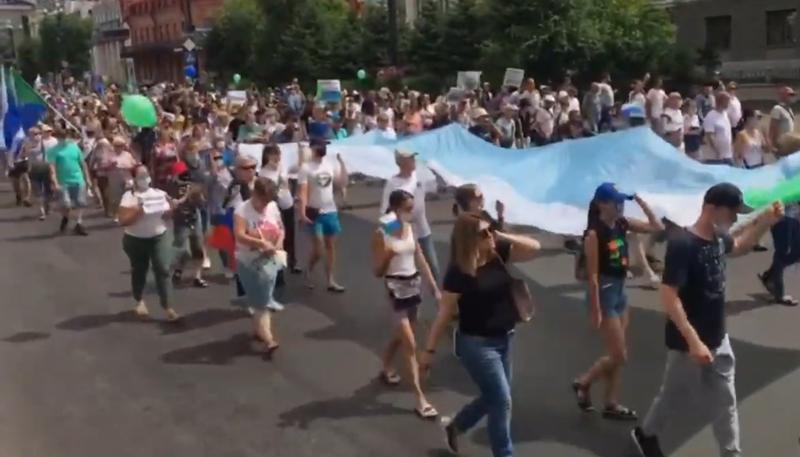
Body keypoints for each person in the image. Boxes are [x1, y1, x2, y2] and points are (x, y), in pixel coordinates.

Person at [632, 183, 782, 457]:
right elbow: (669, 296)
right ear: (711, 208)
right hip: (688, 344)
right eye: (732, 212)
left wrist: (765, 222)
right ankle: (646, 433)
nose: (735, 219)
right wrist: (693, 341)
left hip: (718, 337)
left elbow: (738, 246)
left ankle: (731, 453)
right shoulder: (683, 244)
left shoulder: (718, 237)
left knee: (726, 402)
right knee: (673, 395)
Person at [419, 214, 541, 457]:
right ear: (469, 239)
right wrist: (428, 352)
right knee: (502, 401)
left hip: (504, 339)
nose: (490, 236)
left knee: (494, 397)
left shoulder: (497, 253)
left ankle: (457, 425)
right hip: (477, 346)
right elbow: (444, 314)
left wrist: (501, 234)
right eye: (484, 233)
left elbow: (535, 248)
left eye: (491, 231)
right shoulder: (459, 272)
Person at [572, 184, 664, 421]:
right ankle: (584, 382)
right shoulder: (594, 234)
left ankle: (611, 402)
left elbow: (657, 227)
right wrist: (595, 308)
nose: (620, 205)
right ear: (602, 204)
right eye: (616, 202)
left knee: (617, 353)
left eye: (622, 201)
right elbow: (592, 276)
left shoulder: (623, 223)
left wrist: (642, 203)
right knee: (619, 355)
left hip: (620, 291)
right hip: (604, 294)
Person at [371, 189, 440, 419]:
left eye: (413, 209)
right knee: (410, 343)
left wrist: (433, 288)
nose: (412, 213)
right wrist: (389, 257)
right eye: (408, 209)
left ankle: (386, 366)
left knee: (403, 334)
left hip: (413, 286)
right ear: (396, 208)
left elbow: (420, 258)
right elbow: (377, 271)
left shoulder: (411, 228)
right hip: (395, 287)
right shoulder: (383, 232)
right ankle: (420, 399)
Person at [117, 164, 180, 321]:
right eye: (140, 176)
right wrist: (138, 212)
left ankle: (168, 307)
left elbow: (166, 216)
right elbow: (123, 221)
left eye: (146, 174)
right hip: (135, 239)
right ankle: (139, 300)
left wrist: (172, 209)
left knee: (163, 268)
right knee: (139, 269)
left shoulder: (159, 194)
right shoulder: (129, 197)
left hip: (158, 236)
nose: (144, 178)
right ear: (134, 179)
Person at [233, 177, 284, 357]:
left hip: (269, 260)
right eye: (262, 201)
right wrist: (261, 243)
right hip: (248, 261)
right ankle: (269, 339)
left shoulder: (272, 208)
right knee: (262, 303)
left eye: (268, 202)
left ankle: (258, 329)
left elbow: (281, 229)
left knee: (261, 299)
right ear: (255, 194)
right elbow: (239, 235)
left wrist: (277, 244)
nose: (264, 206)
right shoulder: (242, 210)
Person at [380, 149, 439, 282]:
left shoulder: (420, 177)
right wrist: (396, 232)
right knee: (403, 271)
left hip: (423, 231)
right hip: (403, 234)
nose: (414, 161)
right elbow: (385, 212)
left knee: (433, 267)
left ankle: (438, 297)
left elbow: (436, 187)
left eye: (414, 157)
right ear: (400, 162)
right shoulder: (392, 183)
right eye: (410, 158)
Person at [297, 138, 348, 292]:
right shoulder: (306, 168)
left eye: (325, 145)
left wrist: (343, 165)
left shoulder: (330, 164)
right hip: (314, 212)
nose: (324, 148)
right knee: (319, 249)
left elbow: (341, 183)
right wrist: (302, 212)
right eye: (321, 145)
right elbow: (303, 192)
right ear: (312, 148)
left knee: (331, 246)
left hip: (330, 211)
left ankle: (331, 280)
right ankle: (308, 270)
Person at [260, 144, 301, 278]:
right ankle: (277, 267)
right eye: (274, 154)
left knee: (290, 233)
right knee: (277, 236)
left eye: (278, 154)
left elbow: (294, 172)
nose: (277, 157)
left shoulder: (282, 167)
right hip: (274, 206)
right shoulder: (264, 172)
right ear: (267, 156)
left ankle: (292, 262)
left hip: (287, 203)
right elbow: (267, 192)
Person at [48, 125, 91, 236]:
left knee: (81, 203)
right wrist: (55, 182)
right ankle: (65, 217)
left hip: (78, 179)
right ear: (57, 138)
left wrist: (87, 178)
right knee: (66, 204)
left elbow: (82, 163)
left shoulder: (74, 147)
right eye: (62, 137)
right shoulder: (53, 151)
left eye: (66, 136)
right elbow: (52, 168)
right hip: (63, 181)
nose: (65, 139)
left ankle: (79, 223)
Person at [700, 92, 733, 165]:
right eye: (727, 101)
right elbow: (710, 136)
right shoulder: (711, 116)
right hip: (715, 157)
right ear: (720, 101)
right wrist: (718, 152)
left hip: (727, 155)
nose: (729, 103)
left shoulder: (725, 114)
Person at [769, 86, 795, 152]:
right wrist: (772, 145)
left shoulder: (789, 109)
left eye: (793, 95)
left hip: (789, 143)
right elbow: (772, 128)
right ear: (783, 96)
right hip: (781, 144)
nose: (792, 97)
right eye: (790, 95)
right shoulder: (777, 109)